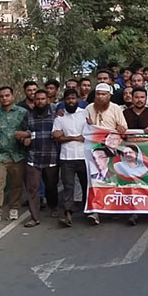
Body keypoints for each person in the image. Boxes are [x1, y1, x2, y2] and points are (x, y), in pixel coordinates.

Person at [15, 90, 60, 228]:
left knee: (51, 186)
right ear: (34, 100)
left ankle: (53, 206)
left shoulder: (55, 116)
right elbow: (20, 134)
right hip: (33, 157)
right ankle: (34, 217)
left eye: (42, 99)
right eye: (37, 99)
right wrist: (24, 140)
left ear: (47, 100)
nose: (40, 101)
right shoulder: (28, 116)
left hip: (50, 156)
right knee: (32, 188)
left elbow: (61, 133)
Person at [52, 89, 88, 228]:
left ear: (77, 99)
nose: (71, 101)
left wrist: (66, 137)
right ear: (64, 100)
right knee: (68, 186)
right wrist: (74, 137)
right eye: (68, 99)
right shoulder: (60, 118)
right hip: (66, 157)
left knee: (87, 185)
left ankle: (89, 210)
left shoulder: (85, 114)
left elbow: (89, 134)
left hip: (84, 156)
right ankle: (68, 213)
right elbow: (56, 137)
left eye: (73, 98)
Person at [0, 86, 28, 224]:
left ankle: (14, 207)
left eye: (7, 95)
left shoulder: (22, 112)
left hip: (17, 155)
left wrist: (26, 136)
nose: (4, 98)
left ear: (12, 96)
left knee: (16, 184)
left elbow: (29, 129)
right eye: (2, 96)